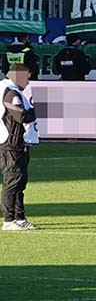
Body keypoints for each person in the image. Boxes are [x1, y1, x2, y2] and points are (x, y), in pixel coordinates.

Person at [1, 63, 39, 231]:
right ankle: (9, 220)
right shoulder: (11, 93)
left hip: (12, 142)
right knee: (13, 181)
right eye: (27, 76)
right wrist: (34, 112)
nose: (28, 80)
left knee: (18, 182)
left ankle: (19, 217)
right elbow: (21, 115)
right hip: (13, 143)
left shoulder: (7, 89)